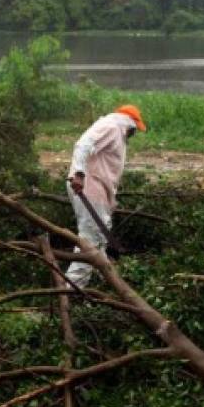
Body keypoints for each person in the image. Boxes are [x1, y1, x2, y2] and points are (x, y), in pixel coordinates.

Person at [65, 104, 146, 288]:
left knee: (99, 238)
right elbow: (82, 145)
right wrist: (79, 173)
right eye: (134, 130)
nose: (133, 135)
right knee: (90, 243)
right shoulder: (111, 127)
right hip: (88, 188)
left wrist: (110, 201)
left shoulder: (116, 131)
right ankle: (70, 292)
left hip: (96, 191)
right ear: (130, 124)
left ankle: (106, 282)